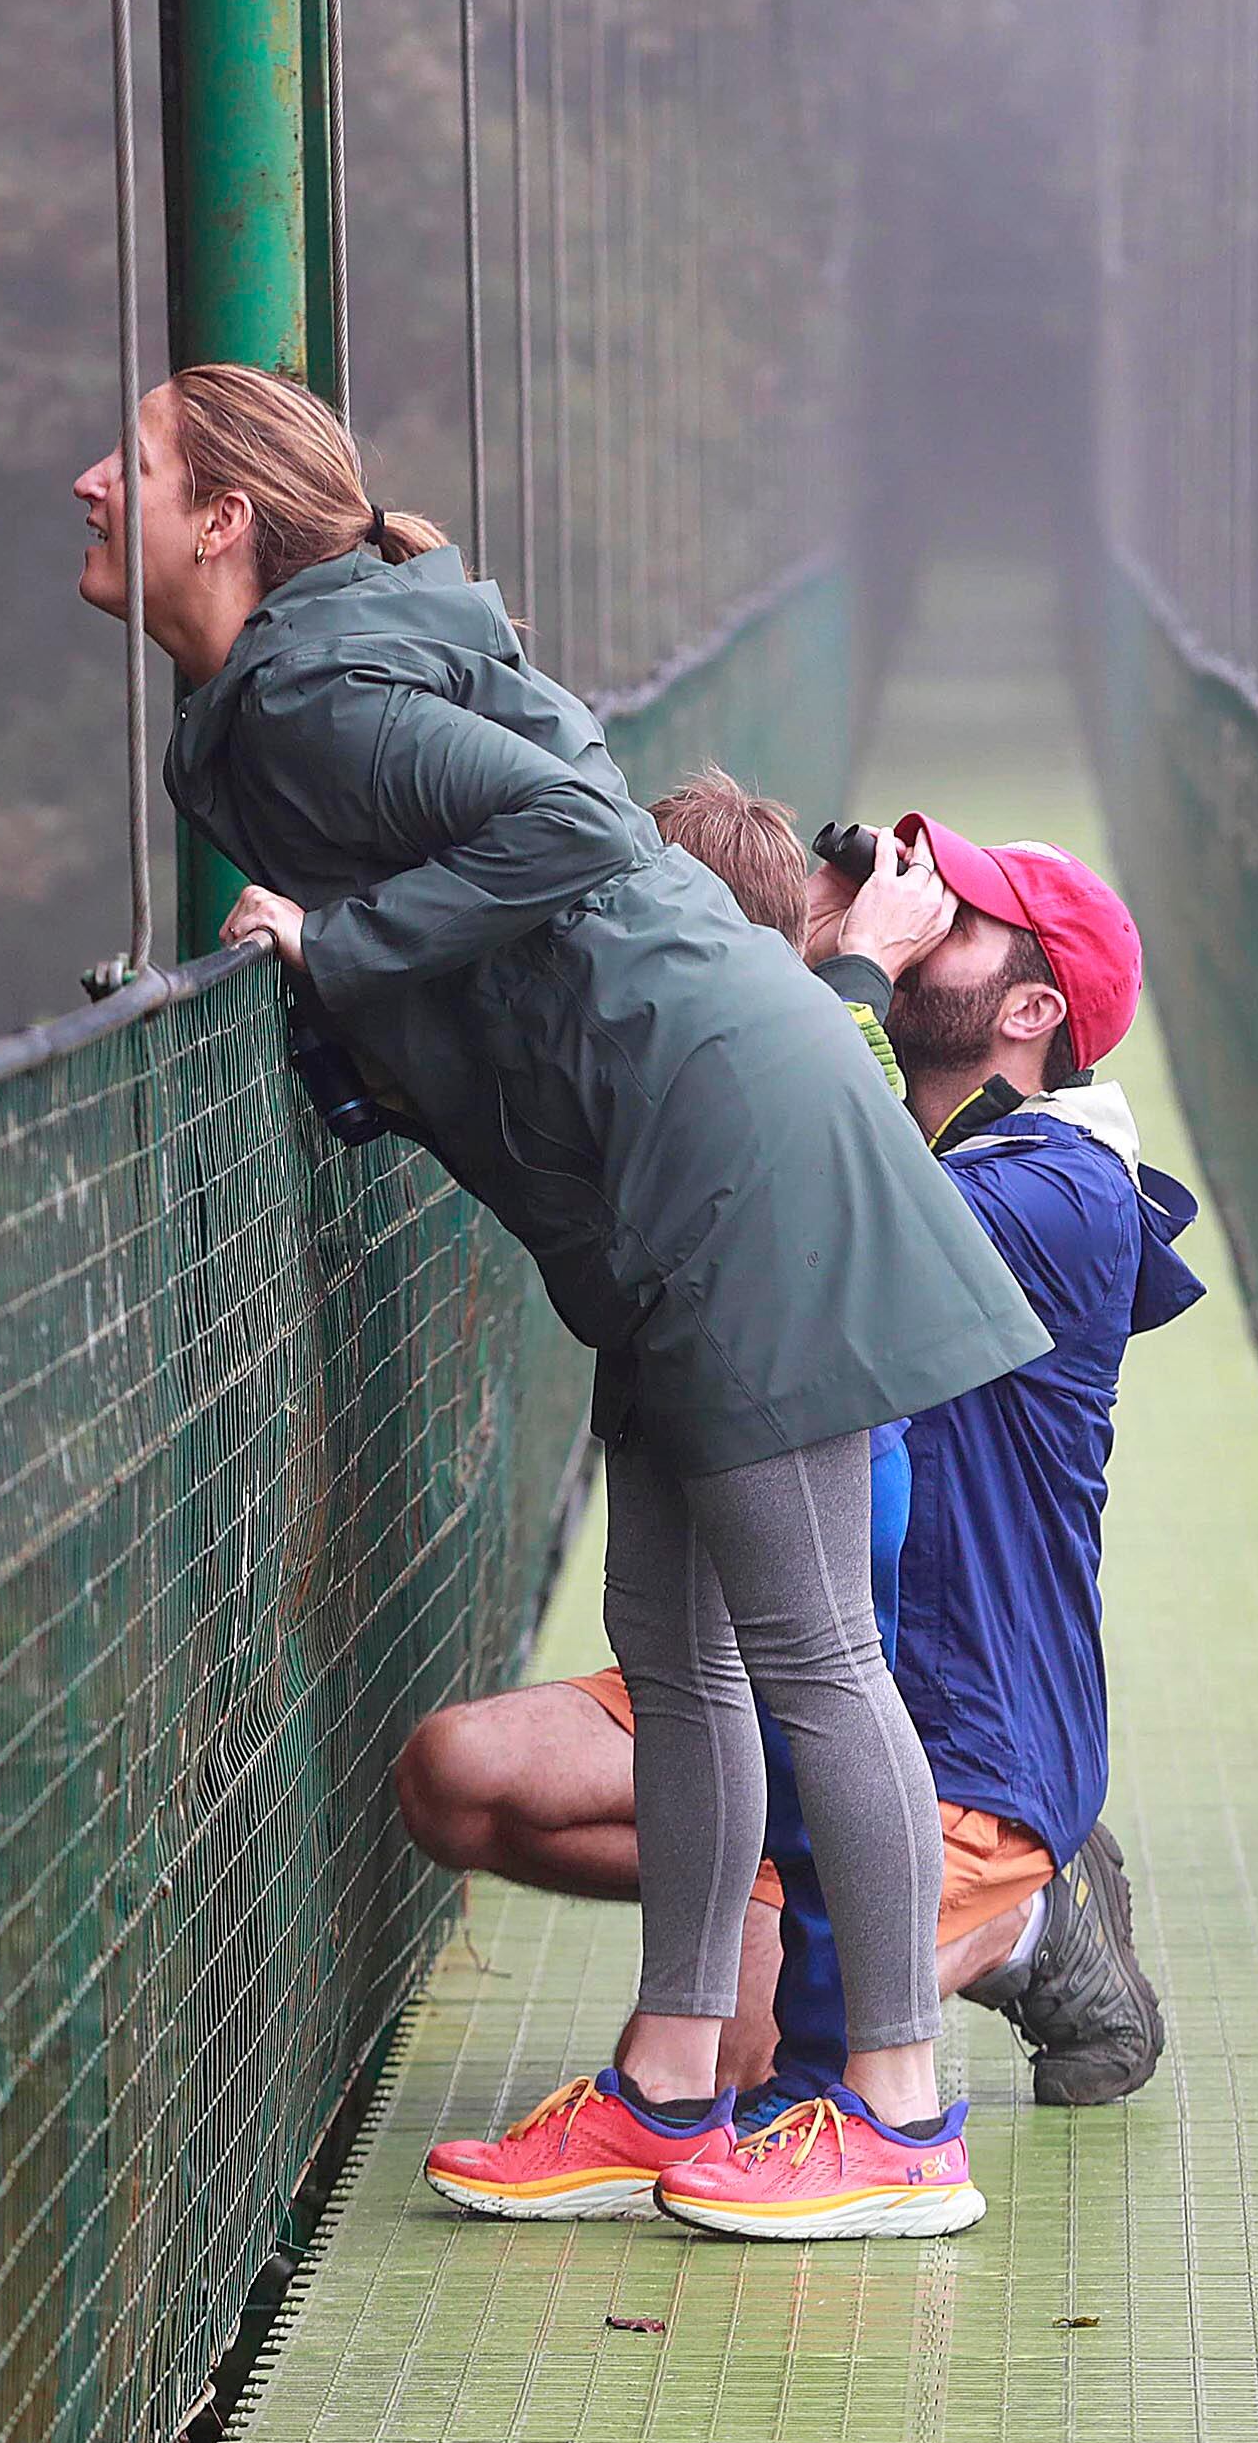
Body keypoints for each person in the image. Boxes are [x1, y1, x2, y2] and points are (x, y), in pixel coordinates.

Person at [76, 368, 1045, 2242]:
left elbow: (577, 834)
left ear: (224, 520)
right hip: (664, 1152)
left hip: (724, 1151)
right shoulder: (295, 689)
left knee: (813, 1645)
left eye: (141, 459)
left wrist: (338, 948)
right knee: (677, 1650)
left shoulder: (312, 685)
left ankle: (905, 2121)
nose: (90, 480)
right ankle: (673, 2077)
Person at [397, 788, 1199, 2125]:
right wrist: (791, 961)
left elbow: (808, 1201)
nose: (910, 908)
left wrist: (837, 979)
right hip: (783, 1678)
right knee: (458, 1778)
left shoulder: (1065, 1194)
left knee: (757, 2069)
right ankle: (813, 1887)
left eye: (959, 916)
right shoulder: (855, 1086)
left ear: (1031, 1009)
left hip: (954, 1735)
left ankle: (1020, 1923)